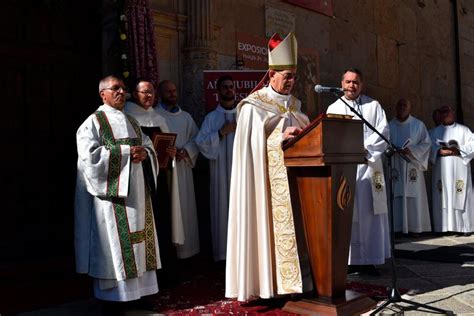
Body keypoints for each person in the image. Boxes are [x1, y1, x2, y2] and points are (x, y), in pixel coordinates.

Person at [225, 32, 311, 302]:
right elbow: (249, 153)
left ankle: (294, 282)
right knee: (266, 230)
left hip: (294, 183)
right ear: (271, 74)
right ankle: (266, 285)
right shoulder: (253, 106)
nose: (291, 81)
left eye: (294, 76)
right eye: (286, 75)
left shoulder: (295, 106)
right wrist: (279, 139)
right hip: (263, 186)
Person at [74, 75, 161, 304]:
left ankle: (141, 292)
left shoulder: (132, 121)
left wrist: (146, 153)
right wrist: (123, 154)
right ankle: (116, 296)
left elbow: (148, 146)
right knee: (114, 243)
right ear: (103, 94)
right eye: (115, 88)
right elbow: (89, 158)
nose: (121, 92)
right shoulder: (92, 122)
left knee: (140, 241)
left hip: (138, 197)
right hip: (112, 200)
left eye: (123, 88)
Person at [326, 68, 390, 276]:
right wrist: (351, 150)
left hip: (371, 167)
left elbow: (383, 132)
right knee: (349, 213)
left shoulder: (374, 106)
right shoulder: (334, 107)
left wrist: (364, 148)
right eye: (348, 82)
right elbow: (331, 136)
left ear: (361, 85)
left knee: (371, 212)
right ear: (341, 83)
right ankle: (351, 260)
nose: (351, 85)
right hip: (347, 168)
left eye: (356, 82)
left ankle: (371, 259)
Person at [124, 78, 181, 287]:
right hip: (140, 181)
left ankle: (166, 273)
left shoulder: (158, 117)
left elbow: (165, 148)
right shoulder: (128, 116)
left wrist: (171, 153)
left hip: (160, 180)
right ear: (134, 94)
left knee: (162, 223)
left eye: (151, 92)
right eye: (144, 92)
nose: (149, 96)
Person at [155, 80, 200, 259]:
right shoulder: (155, 116)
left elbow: (197, 139)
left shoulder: (186, 117)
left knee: (185, 208)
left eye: (174, 91)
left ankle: (187, 251)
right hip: (165, 170)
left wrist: (186, 151)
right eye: (168, 92)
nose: (173, 94)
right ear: (160, 94)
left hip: (183, 169)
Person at [195, 75, 237, 262]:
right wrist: (221, 133)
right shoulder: (212, 118)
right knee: (222, 210)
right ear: (218, 91)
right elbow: (200, 142)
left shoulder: (244, 115)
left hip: (241, 173)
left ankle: (243, 254)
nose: (228, 90)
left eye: (231, 87)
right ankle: (223, 254)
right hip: (220, 173)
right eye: (225, 87)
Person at [389, 98, 431, 236]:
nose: (402, 107)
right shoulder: (389, 125)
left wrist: (411, 150)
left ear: (410, 108)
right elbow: (383, 144)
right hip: (395, 164)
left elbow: (426, 144)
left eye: (405, 105)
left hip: (412, 164)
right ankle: (397, 227)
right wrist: (392, 150)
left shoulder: (418, 125)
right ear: (396, 107)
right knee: (397, 195)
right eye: (399, 105)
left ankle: (415, 228)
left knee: (413, 196)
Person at [429, 105, 474, 236]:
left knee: (460, 193)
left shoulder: (464, 130)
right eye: (442, 112)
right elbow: (428, 147)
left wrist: (459, 149)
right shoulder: (433, 132)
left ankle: (464, 227)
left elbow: (472, 143)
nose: (445, 114)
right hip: (441, 169)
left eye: (447, 112)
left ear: (453, 113)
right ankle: (443, 226)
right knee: (442, 195)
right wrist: (438, 151)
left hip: (459, 166)